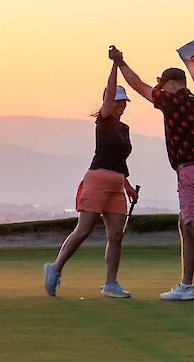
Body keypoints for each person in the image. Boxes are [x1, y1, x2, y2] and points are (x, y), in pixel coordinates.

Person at [109, 47, 194, 304]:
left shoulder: (170, 100)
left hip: (190, 171)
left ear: (171, 85)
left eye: (163, 84)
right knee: (186, 225)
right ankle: (186, 286)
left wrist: (121, 62)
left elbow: (138, 85)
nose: (160, 88)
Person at [43, 59, 139, 299]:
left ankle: (111, 283)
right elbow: (109, 90)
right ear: (109, 101)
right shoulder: (104, 121)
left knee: (116, 235)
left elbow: (120, 159)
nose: (121, 106)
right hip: (97, 180)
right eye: (117, 101)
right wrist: (116, 64)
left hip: (117, 185)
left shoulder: (124, 128)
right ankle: (55, 269)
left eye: (123, 102)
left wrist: (127, 185)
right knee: (84, 229)